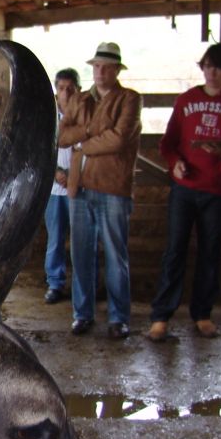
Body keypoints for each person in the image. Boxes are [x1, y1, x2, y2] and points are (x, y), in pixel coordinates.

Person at [148, 43, 221, 341]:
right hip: (184, 188)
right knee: (174, 251)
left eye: (219, 68)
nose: (213, 73)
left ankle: (203, 314)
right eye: (208, 66)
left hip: (217, 191)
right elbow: (168, 143)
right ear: (202, 68)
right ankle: (161, 316)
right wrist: (175, 163)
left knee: (210, 252)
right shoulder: (186, 100)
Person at [58, 41, 142, 339]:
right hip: (79, 186)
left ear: (117, 69)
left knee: (115, 255)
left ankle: (119, 317)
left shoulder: (130, 99)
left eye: (106, 67)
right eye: (96, 66)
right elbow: (62, 136)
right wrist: (91, 132)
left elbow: (119, 139)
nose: (100, 72)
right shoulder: (80, 99)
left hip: (113, 186)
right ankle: (83, 314)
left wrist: (81, 143)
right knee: (80, 253)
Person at [44, 68, 80, 305]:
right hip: (55, 188)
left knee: (82, 238)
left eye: (70, 88)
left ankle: (82, 283)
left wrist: (75, 174)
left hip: (80, 186)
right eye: (62, 88)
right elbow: (40, 149)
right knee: (55, 238)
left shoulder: (84, 116)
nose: (66, 93)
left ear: (77, 90)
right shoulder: (48, 117)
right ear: (56, 91)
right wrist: (55, 172)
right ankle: (55, 283)